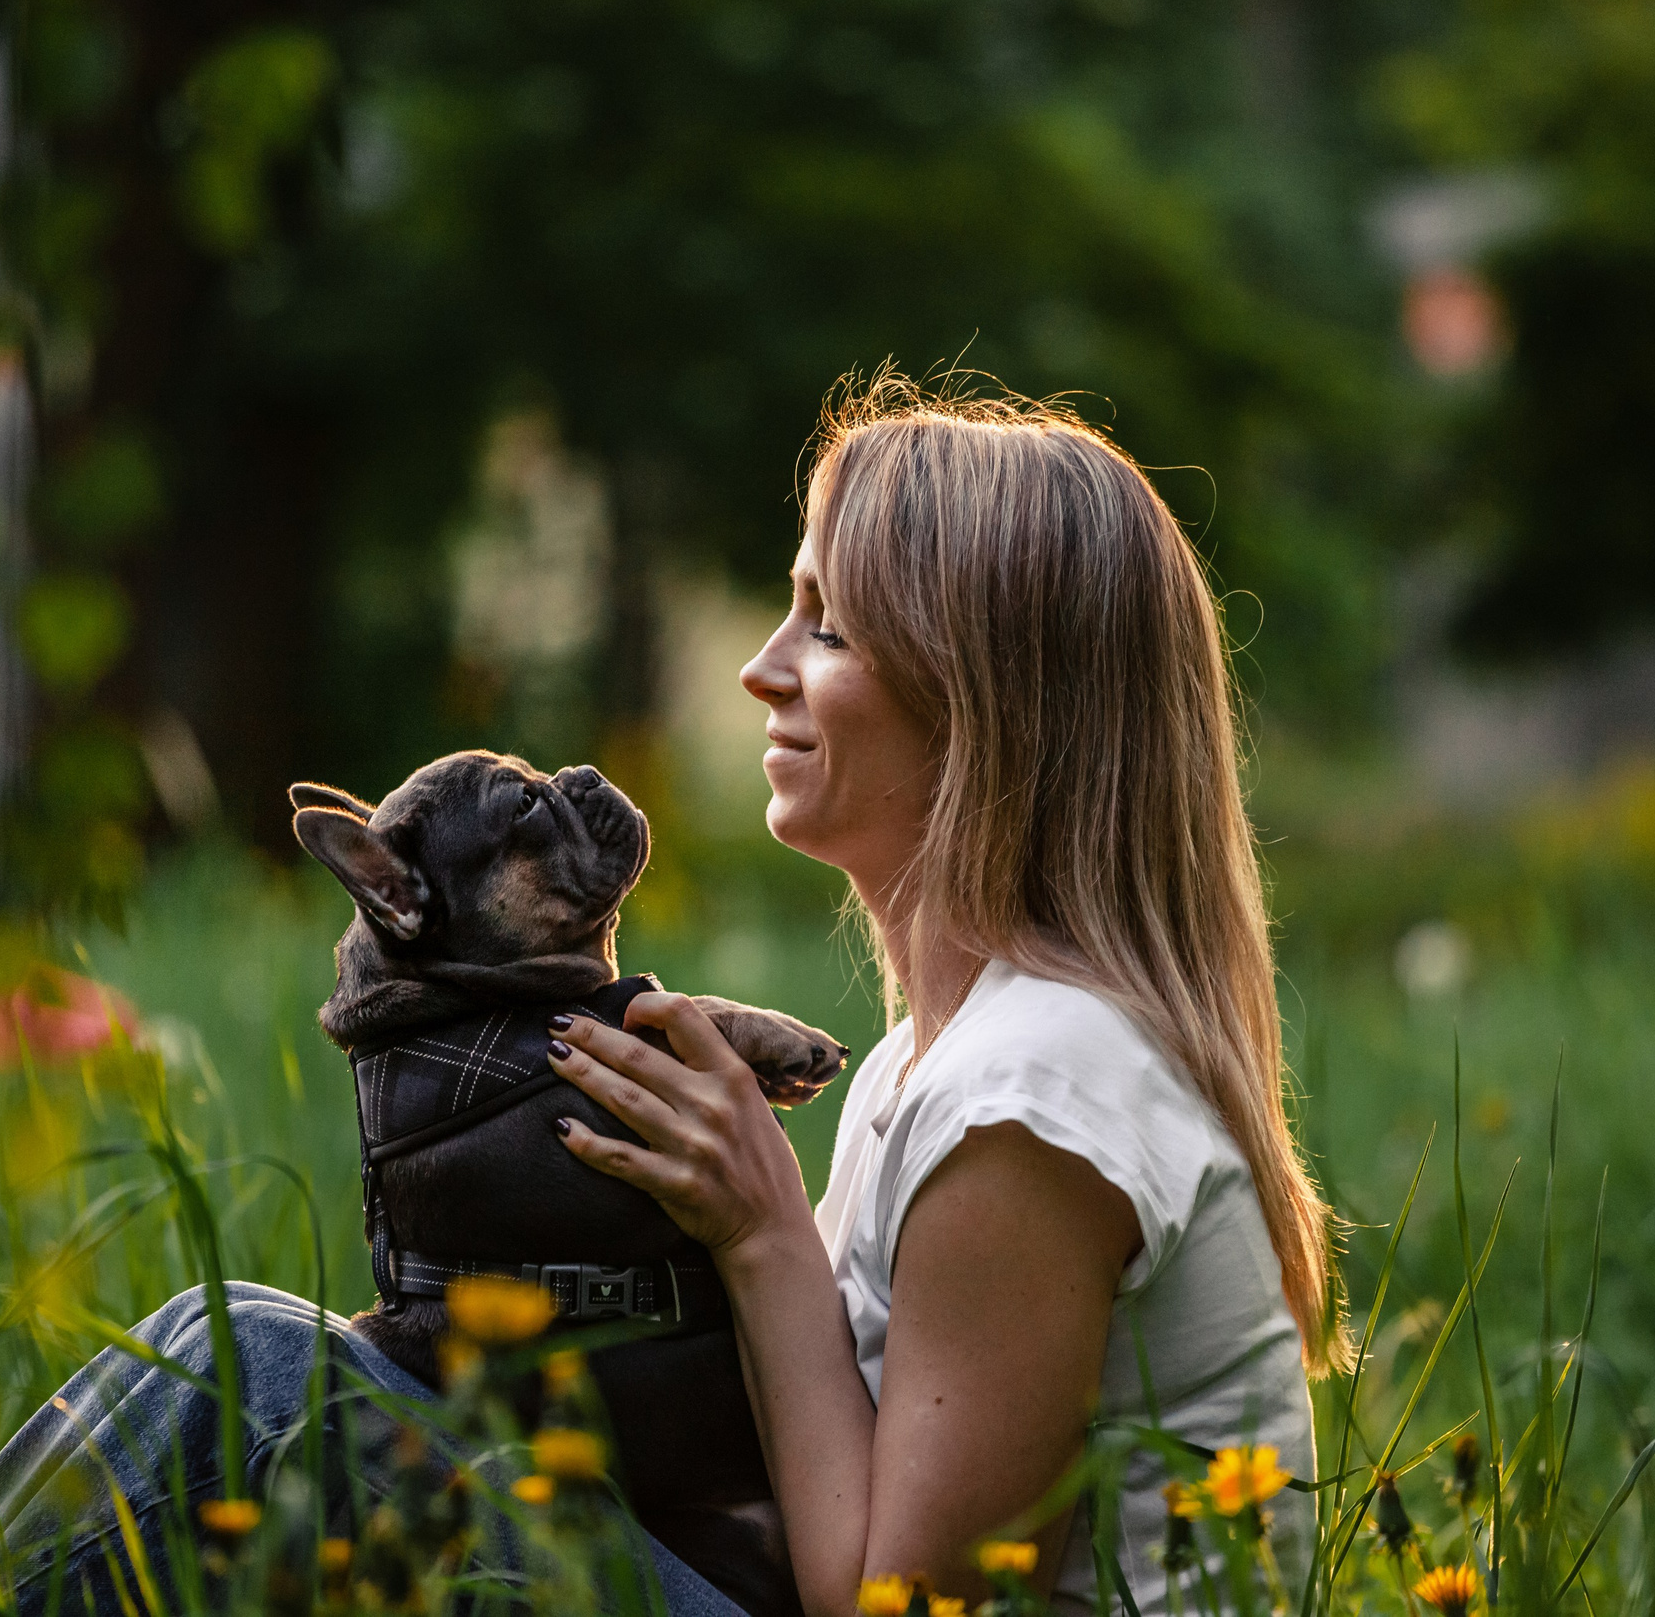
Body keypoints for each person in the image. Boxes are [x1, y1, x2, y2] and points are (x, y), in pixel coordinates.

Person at [542, 377, 1343, 1617]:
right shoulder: (922, 1069)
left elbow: (901, 1611)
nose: (763, 669)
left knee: (272, 1391)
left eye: (829, 628)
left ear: (985, 702)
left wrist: (761, 1234)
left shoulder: (1033, 1097)